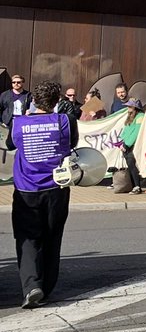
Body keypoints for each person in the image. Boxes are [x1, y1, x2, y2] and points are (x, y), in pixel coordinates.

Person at [7, 81, 78, 308]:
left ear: (33, 100)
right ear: (57, 101)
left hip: (27, 188)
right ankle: (46, 289)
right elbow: (72, 143)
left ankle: (31, 286)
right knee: (52, 238)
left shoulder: (19, 122)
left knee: (28, 240)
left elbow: (10, 144)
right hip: (56, 188)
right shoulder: (64, 121)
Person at [120, 99, 146, 195]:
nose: (127, 108)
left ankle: (137, 186)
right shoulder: (130, 116)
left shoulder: (140, 117)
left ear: (135, 107)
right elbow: (126, 129)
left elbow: (137, 132)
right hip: (126, 144)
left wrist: (127, 144)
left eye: (129, 106)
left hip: (133, 145)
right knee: (130, 165)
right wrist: (121, 141)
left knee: (132, 165)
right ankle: (132, 185)